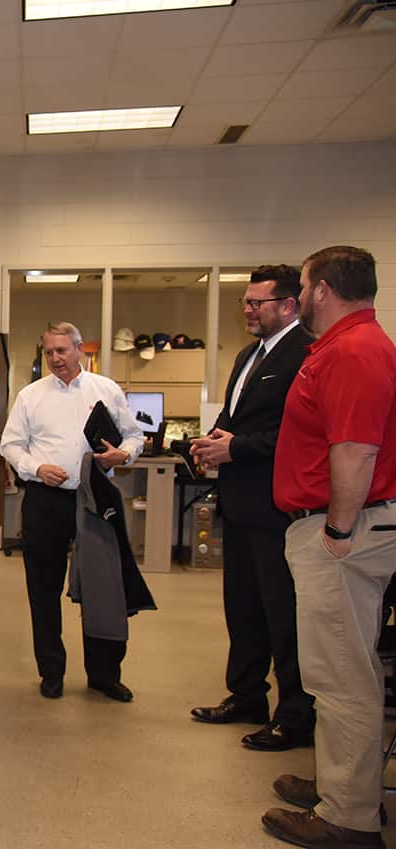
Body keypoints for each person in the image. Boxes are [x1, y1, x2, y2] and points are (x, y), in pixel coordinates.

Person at [263, 246, 396, 849]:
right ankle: (343, 785)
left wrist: (338, 532)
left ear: (319, 291)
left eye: (307, 285)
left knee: (342, 675)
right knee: (337, 670)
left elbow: (356, 449)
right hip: (337, 526)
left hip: (344, 532)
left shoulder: (353, 351)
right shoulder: (347, 347)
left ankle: (348, 817)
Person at [189, 266, 316, 752]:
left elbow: (299, 434)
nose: (248, 309)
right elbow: (234, 418)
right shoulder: (248, 354)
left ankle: (294, 715)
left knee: (281, 613)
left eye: (257, 302)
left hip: (276, 506)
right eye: (245, 301)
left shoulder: (304, 354)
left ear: (288, 305)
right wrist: (211, 440)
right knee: (242, 607)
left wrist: (236, 448)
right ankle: (246, 696)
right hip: (239, 504)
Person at [0, 322, 145, 702]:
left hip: (93, 497)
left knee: (103, 588)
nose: (55, 358)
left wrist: (122, 454)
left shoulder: (106, 389)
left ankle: (104, 675)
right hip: (45, 499)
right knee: (43, 590)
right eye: (49, 352)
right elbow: (10, 446)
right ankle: (51, 672)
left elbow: (135, 436)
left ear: (79, 350)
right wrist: (35, 468)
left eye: (62, 350)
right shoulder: (30, 395)